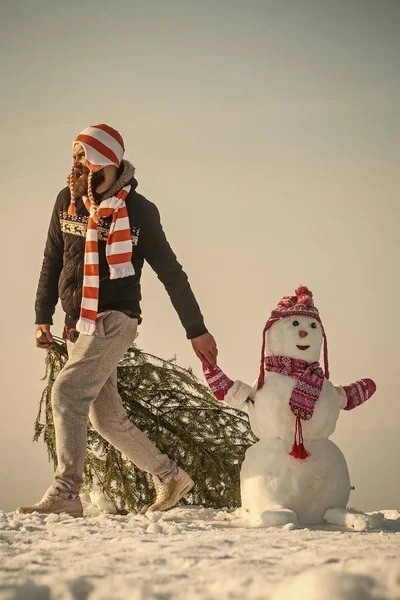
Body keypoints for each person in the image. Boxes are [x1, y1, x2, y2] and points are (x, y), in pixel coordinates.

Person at [18, 124, 218, 517]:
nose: (75, 164)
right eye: (73, 155)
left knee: (67, 393)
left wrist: (197, 329)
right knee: (106, 417)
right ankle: (172, 476)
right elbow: (52, 259)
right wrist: (43, 315)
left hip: (116, 319)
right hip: (79, 323)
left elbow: (171, 273)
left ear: (104, 159)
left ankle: (66, 493)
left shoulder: (139, 211)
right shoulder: (68, 202)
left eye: (82, 155)